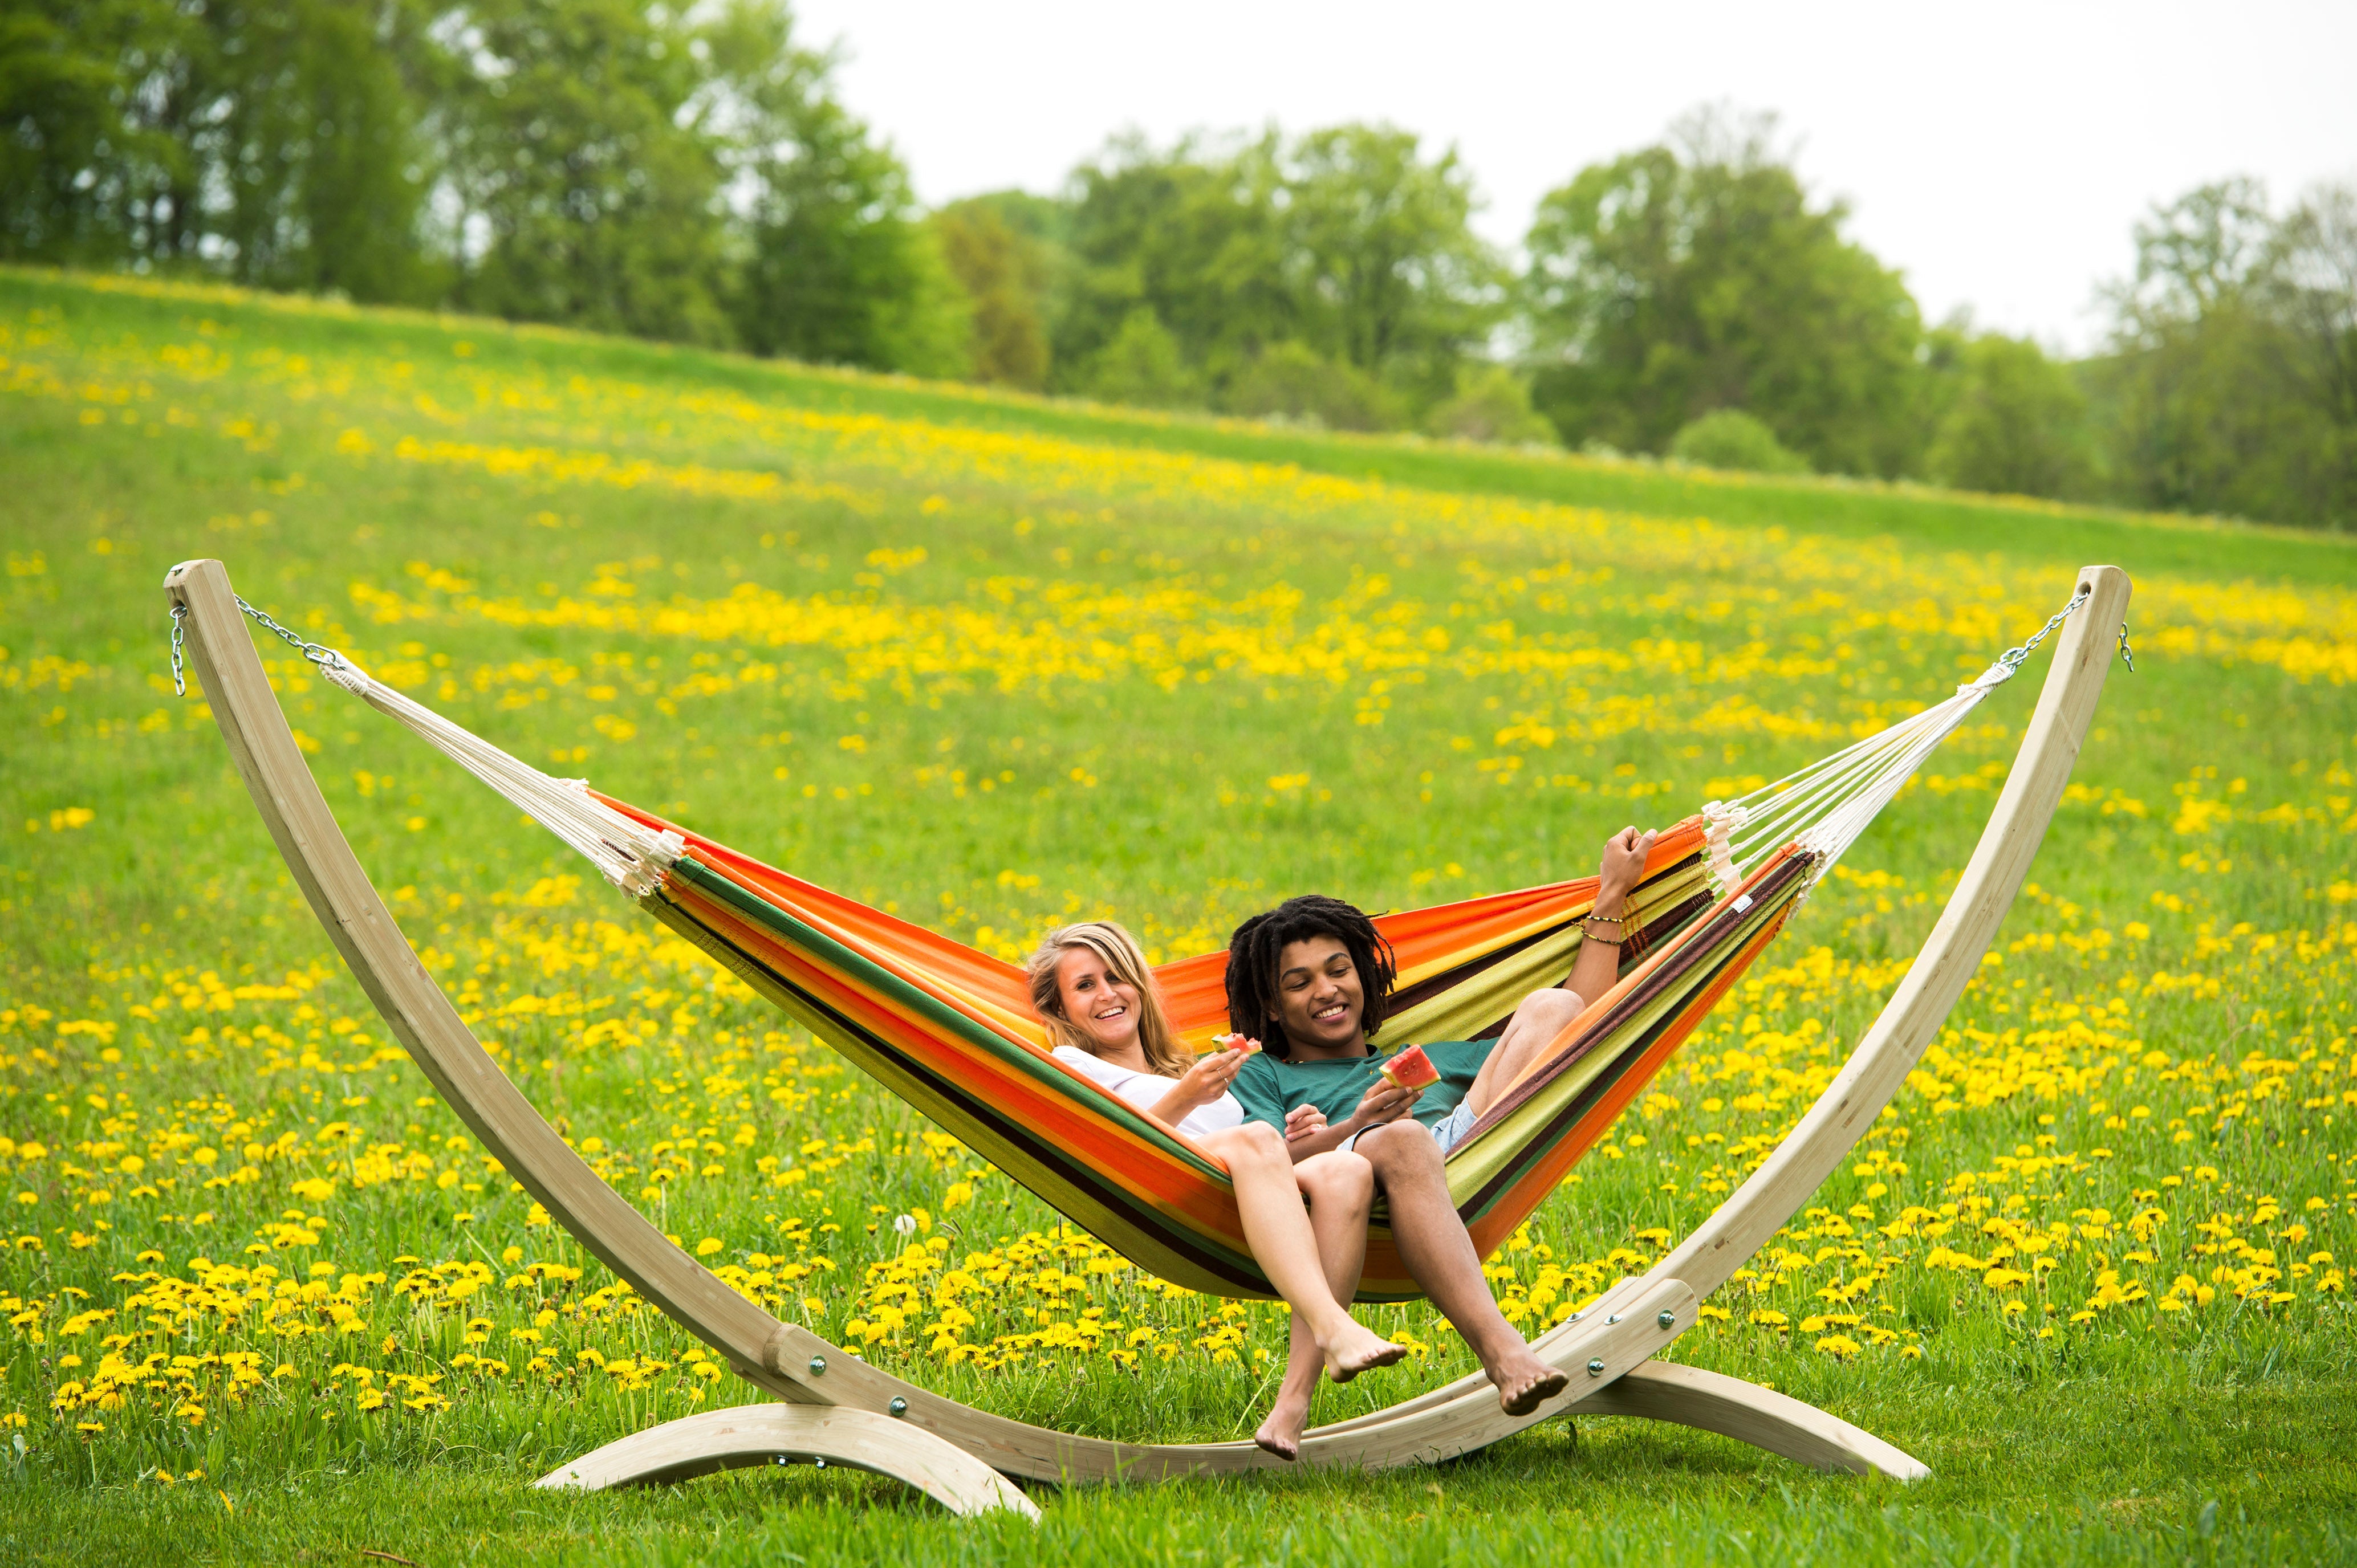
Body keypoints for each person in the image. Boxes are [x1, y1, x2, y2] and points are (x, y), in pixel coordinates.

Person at [1226, 824, 1659, 1449]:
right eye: (1298, 983)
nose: (1326, 990)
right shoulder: (1262, 1071)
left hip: (1458, 1155)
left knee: (1551, 1009)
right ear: (1271, 1007)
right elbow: (1257, 1165)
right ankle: (1503, 1354)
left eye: (1338, 969)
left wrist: (1612, 895)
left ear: (1362, 977)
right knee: (1401, 1139)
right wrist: (1354, 1127)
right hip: (1340, 1181)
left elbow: (1578, 1021)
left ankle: (1504, 1354)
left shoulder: (1425, 1057)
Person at [1025, 920, 1404, 1460]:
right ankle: (1334, 1326)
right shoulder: (1074, 1065)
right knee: (1254, 1137)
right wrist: (1185, 1098)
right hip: (1181, 1191)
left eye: (1116, 977)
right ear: (1060, 1008)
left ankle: (1292, 1404)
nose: (1107, 994)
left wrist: (1322, 1134)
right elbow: (1115, 1147)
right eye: (1085, 985)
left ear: (1138, 986)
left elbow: (1267, 1156)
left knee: (1347, 1172)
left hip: (1253, 1194)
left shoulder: (1186, 1064)